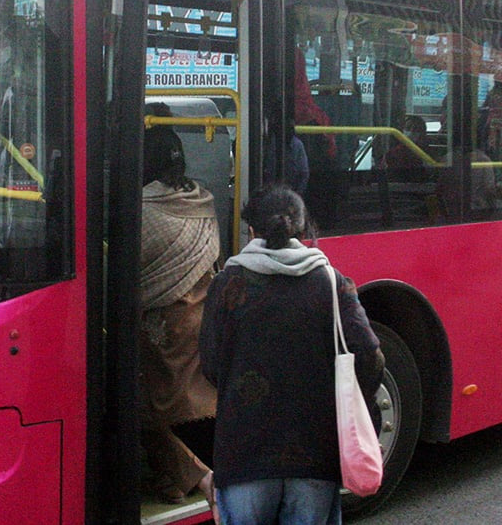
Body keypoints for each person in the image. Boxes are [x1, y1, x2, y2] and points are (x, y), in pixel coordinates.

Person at [200, 185, 383, 524]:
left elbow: (210, 363)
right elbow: (371, 356)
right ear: (302, 229)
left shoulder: (227, 283)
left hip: (245, 454)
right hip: (314, 453)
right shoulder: (332, 282)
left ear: (252, 230)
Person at [139, 125, 220, 507]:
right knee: (193, 401)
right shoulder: (200, 198)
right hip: (203, 312)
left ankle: (189, 476)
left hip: (165, 321)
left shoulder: (143, 209)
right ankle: (181, 475)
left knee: (148, 404)